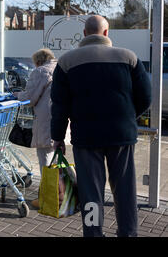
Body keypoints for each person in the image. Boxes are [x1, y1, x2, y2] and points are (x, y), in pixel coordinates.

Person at [50, 15, 151, 237]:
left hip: (86, 138)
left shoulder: (66, 62)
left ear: (85, 34)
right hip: (121, 135)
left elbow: (59, 105)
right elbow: (146, 97)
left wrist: (58, 137)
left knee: (91, 193)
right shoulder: (129, 58)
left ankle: (94, 233)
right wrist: (127, 118)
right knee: (125, 190)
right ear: (106, 33)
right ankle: (128, 232)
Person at [14, 48, 57, 209]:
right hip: (60, 118)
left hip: (46, 119)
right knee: (54, 159)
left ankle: (48, 200)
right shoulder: (60, 69)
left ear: (38, 61)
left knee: (45, 159)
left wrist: (18, 95)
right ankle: (57, 194)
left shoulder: (40, 71)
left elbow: (30, 98)